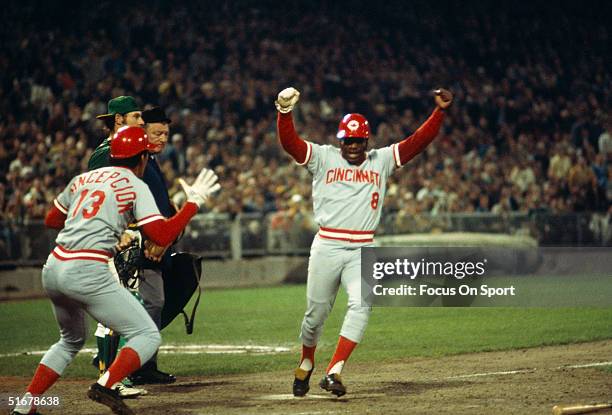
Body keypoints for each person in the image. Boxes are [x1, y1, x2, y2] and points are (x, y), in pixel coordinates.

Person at [11, 126, 220, 415]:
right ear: (143, 158)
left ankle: (25, 405)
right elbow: (161, 235)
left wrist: (90, 227)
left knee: (69, 341)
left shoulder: (82, 179)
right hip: (87, 270)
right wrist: (193, 203)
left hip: (54, 266)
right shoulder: (136, 185)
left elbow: (51, 219)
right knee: (147, 335)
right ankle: (106, 385)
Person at [275, 86, 453, 397]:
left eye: (358, 141)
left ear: (367, 140)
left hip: (362, 247)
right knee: (315, 315)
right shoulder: (323, 157)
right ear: (340, 139)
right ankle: (306, 360)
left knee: (363, 304)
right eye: (348, 140)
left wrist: (439, 112)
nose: (353, 146)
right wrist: (284, 114)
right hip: (327, 245)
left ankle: (335, 370)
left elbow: (417, 143)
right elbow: (291, 145)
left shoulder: (381, 160)